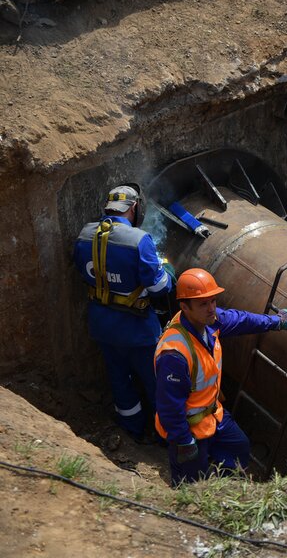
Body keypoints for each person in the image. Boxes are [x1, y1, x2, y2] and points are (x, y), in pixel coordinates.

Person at [154, 268, 287, 486]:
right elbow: (169, 406)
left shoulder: (209, 321)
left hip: (213, 414)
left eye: (213, 301)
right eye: (203, 303)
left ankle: (226, 489)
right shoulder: (174, 354)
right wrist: (183, 441)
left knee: (238, 446)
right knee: (191, 485)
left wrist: (276, 321)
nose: (211, 308)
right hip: (188, 428)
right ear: (184, 307)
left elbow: (241, 320)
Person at [73, 184, 174, 443]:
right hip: (138, 329)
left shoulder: (84, 235)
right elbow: (159, 288)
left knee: (119, 378)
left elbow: (84, 272)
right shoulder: (139, 240)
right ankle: (165, 436)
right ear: (134, 207)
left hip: (102, 324)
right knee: (156, 382)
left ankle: (132, 429)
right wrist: (166, 270)